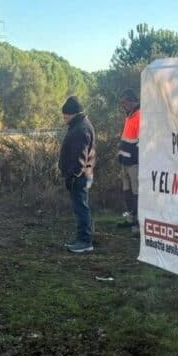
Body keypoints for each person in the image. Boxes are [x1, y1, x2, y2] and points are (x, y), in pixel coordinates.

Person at [58, 96, 96, 253]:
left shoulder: (80, 129)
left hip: (79, 176)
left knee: (81, 208)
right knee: (81, 207)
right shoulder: (79, 125)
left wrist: (72, 176)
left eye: (66, 114)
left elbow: (80, 157)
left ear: (74, 113)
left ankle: (85, 242)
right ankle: (82, 239)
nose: (64, 117)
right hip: (81, 174)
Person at [117, 89, 141, 235]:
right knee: (127, 190)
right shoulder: (129, 116)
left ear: (133, 101)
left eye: (125, 103)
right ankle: (130, 218)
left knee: (136, 192)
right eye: (122, 103)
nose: (123, 106)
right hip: (124, 161)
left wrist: (133, 158)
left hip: (133, 162)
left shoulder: (140, 115)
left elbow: (140, 141)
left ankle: (138, 223)